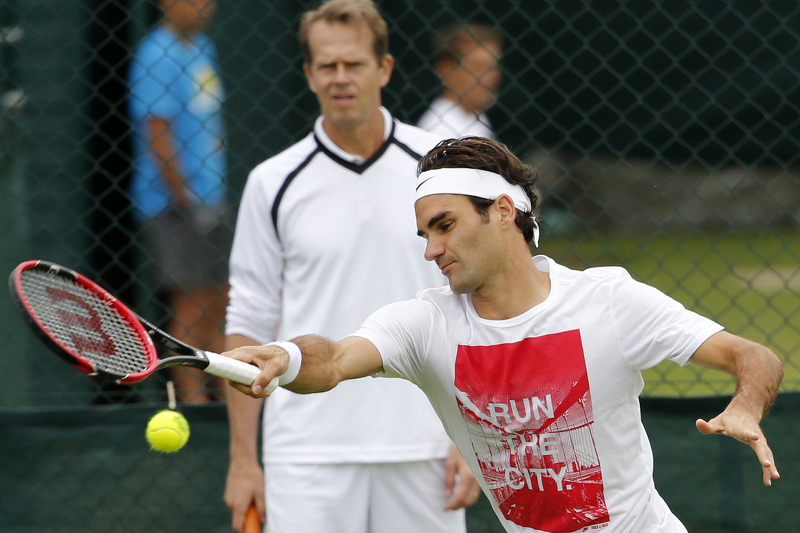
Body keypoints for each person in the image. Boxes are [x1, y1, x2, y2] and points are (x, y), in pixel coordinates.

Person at [226, 136, 784, 533]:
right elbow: (335, 358)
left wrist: (746, 405)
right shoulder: (425, 325)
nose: (430, 249)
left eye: (444, 225)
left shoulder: (608, 301)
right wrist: (285, 355)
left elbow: (753, 355)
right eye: (424, 233)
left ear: (500, 211)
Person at [223, 1, 478, 532]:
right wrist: (244, 459)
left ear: (383, 69)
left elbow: (480, 299)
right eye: (327, 66)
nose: (341, 78)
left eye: (354, 64)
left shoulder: (445, 166)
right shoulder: (272, 182)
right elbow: (248, 320)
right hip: (306, 454)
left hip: (427, 446)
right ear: (309, 75)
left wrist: (470, 433)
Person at [128, 0, 229, 403]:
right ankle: (194, 408)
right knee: (191, 306)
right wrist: (185, 198)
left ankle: (225, 403)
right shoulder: (156, 53)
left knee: (218, 302)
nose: (205, 6)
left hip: (211, 198)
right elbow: (158, 134)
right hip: (175, 206)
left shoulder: (203, 48)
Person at [417, 22, 503, 139]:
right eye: (479, 67)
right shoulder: (439, 130)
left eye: (493, 67)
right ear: (446, 69)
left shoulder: (477, 118)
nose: (492, 77)